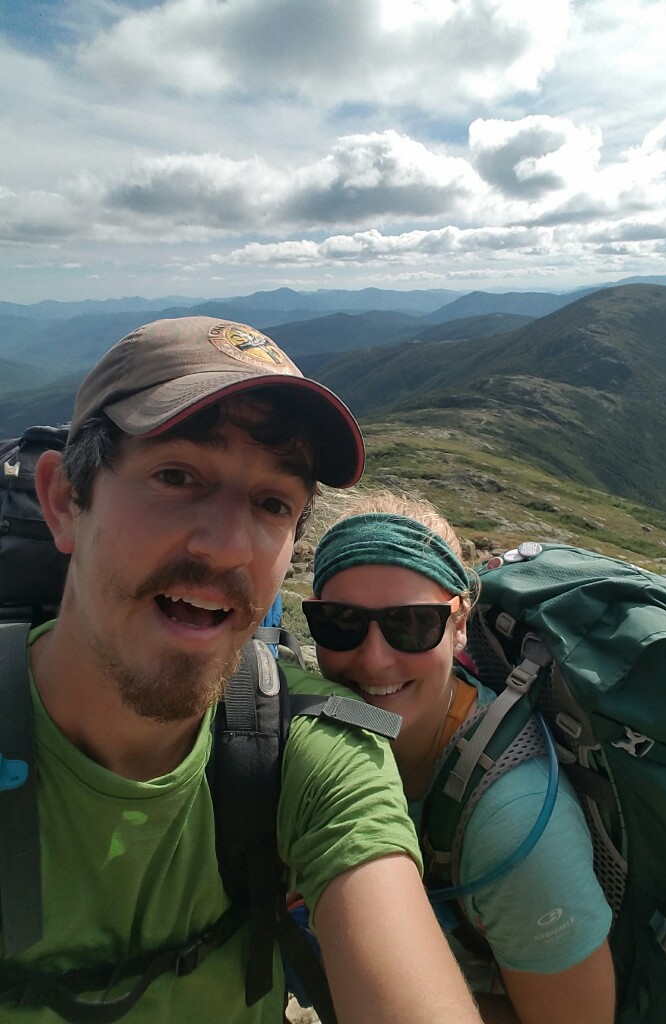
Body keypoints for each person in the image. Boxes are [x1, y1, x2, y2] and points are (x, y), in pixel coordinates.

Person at [4, 318, 483, 1024]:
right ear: (65, 501)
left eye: (271, 504)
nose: (229, 545)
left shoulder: (315, 749)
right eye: (176, 476)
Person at [305, 492, 616, 1024]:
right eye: (340, 621)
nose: (374, 659)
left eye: (413, 624)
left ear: (460, 624)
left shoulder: (513, 825)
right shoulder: (340, 722)